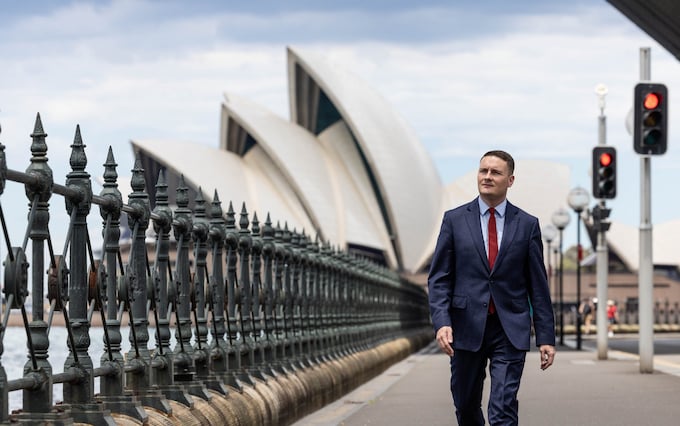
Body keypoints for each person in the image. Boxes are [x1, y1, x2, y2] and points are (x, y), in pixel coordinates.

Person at [428, 150, 556, 426]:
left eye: (495, 172)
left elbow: (538, 285)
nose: (487, 177)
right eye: (483, 170)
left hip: (509, 328)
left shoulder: (527, 225)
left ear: (510, 180)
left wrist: (546, 336)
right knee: (465, 404)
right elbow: (439, 278)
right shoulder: (454, 220)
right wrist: (441, 322)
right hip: (465, 327)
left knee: (502, 407)